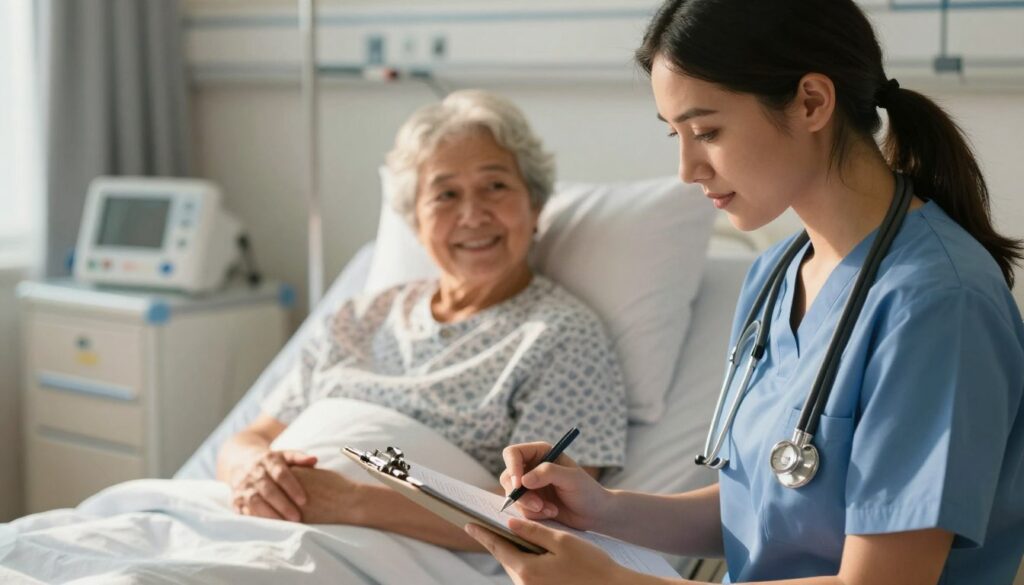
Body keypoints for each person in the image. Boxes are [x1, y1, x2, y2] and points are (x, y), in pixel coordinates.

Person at [465, 1, 1024, 583]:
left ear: (812, 102)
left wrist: (611, 582)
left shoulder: (938, 305)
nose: (687, 168)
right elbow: (764, 509)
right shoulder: (776, 275)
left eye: (706, 131)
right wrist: (603, 510)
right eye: (675, 134)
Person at [216, 90, 628, 551]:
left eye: (495, 186)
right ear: (416, 222)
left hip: (381, 554)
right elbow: (249, 437)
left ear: (534, 207)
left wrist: (350, 502)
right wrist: (254, 469)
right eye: (445, 195)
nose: (472, 214)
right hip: (250, 523)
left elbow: (550, 517)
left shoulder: (562, 337)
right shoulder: (358, 316)